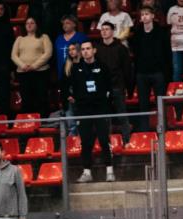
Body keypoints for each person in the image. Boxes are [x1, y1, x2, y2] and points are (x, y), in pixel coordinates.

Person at [69, 42, 116, 184]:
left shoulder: (103, 67)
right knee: (86, 142)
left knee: (104, 140)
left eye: (88, 49)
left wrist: (105, 105)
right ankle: (87, 172)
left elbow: (109, 87)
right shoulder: (76, 68)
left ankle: (110, 171)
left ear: (94, 50)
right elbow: (74, 89)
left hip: (100, 109)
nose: (85, 51)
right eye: (83, 49)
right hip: (84, 110)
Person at [133, 6, 170, 130]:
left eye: (147, 14)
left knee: (160, 103)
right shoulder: (137, 33)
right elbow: (136, 53)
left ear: (153, 16)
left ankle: (163, 129)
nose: (144, 17)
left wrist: (164, 71)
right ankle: (144, 131)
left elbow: (166, 52)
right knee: (143, 104)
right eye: (142, 14)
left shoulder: (161, 32)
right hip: (142, 73)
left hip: (158, 72)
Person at [94, 21, 133, 141]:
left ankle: (127, 141)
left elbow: (127, 69)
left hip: (117, 86)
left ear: (112, 31)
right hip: (102, 88)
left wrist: (129, 88)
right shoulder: (97, 49)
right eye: (102, 29)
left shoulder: (121, 48)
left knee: (122, 116)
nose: (104, 31)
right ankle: (107, 143)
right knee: (105, 118)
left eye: (107, 29)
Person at [12, 16, 53, 117]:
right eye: (27, 23)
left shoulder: (44, 37)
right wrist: (23, 66)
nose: (29, 25)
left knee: (41, 98)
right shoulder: (20, 39)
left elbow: (48, 53)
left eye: (32, 23)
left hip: (40, 72)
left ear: (37, 25)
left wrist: (34, 66)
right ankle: (28, 121)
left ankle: (43, 120)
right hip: (23, 73)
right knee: (26, 98)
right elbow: (13, 55)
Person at [55, 15, 88, 81]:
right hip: (62, 73)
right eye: (63, 24)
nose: (64, 25)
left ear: (74, 24)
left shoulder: (81, 37)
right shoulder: (59, 39)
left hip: (78, 73)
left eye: (67, 23)